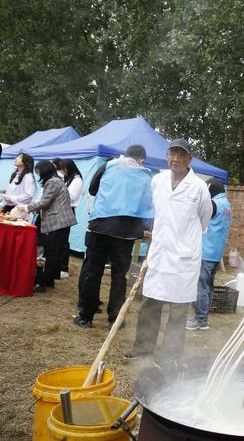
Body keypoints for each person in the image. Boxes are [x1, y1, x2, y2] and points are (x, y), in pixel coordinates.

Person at [125, 139, 212, 360]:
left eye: (181, 155)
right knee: (150, 302)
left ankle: (171, 354)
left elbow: (204, 220)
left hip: (184, 257)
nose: (176, 159)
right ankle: (143, 346)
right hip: (159, 252)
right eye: (172, 154)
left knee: (179, 308)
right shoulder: (158, 180)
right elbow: (158, 212)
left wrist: (182, 239)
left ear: (189, 159)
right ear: (167, 157)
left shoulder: (199, 187)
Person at [73, 145, 154, 329]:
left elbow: (93, 190)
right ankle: (114, 319)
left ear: (126, 154)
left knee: (94, 271)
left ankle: (86, 317)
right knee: (119, 275)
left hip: (101, 224)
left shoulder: (109, 165)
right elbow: (149, 203)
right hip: (126, 230)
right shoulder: (146, 174)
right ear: (141, 159)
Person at [16, 160, 76, 293]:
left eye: (38, 171)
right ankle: (48, 281)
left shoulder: (53, 182)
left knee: (52, 253)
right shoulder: (56, 180)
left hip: (58, 222)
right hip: (60, 222)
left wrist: (25, 207)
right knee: (53, 252)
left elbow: (44, 202)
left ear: (44, 170)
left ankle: (44, 282)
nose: (38, 174)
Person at [185, 178, 232, 331]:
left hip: (206, 251)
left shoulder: (214, 204)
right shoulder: (226, 204)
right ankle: (202, 318)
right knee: (208, 287)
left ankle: (200, 320)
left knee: (202, 287)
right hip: (216, 253)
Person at [55, 159, 83, 279]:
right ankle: (57, 267)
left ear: (69, 168)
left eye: (64, 169)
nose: (63, 172)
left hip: (67, 210)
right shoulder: (68, 179)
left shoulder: (77, 180)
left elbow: (71, 197)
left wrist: (58, 190)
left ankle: (63, 268)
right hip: (60, 209)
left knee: (63, 241)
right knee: (58, 240)